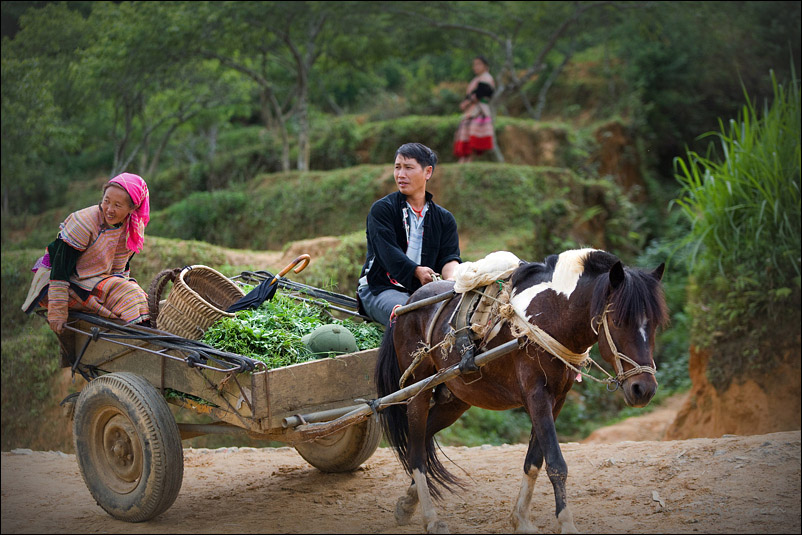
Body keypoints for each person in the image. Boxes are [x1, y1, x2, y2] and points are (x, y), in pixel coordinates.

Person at [21, 173, 152, 334]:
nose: (109, 210)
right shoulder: (84, 222)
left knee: (136, 294)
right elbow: (60, 267)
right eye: (106, 201)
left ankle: (145, 333)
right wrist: (57, 311)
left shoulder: (132, 227)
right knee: (129, 293)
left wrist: (119, 289)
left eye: (118, 205)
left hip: (96, 280)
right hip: (64, 282)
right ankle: (143, 336)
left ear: (132, 208)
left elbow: (121, 268)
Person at [357, 143, 461, 326]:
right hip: (380, 288)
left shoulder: (445, 219)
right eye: (397, 167)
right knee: (409, 316)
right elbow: (388, 253)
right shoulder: (382, 210)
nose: (400, 174)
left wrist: (451, 281)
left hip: (423, 292)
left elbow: (449, 258)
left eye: (408, 168)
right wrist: (416, 271)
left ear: (427, 172)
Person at [453, 55, 496, 163]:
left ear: (485, 66)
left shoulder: (486, 78)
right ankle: (464, 159)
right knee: (467, 135)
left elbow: (481, 93)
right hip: (471, 110)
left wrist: (467, 102)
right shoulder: (476, 79)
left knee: (474, 136)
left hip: (479, 110)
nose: (475, 67)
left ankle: (469, 160)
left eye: (478, 64)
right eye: (474, 65)